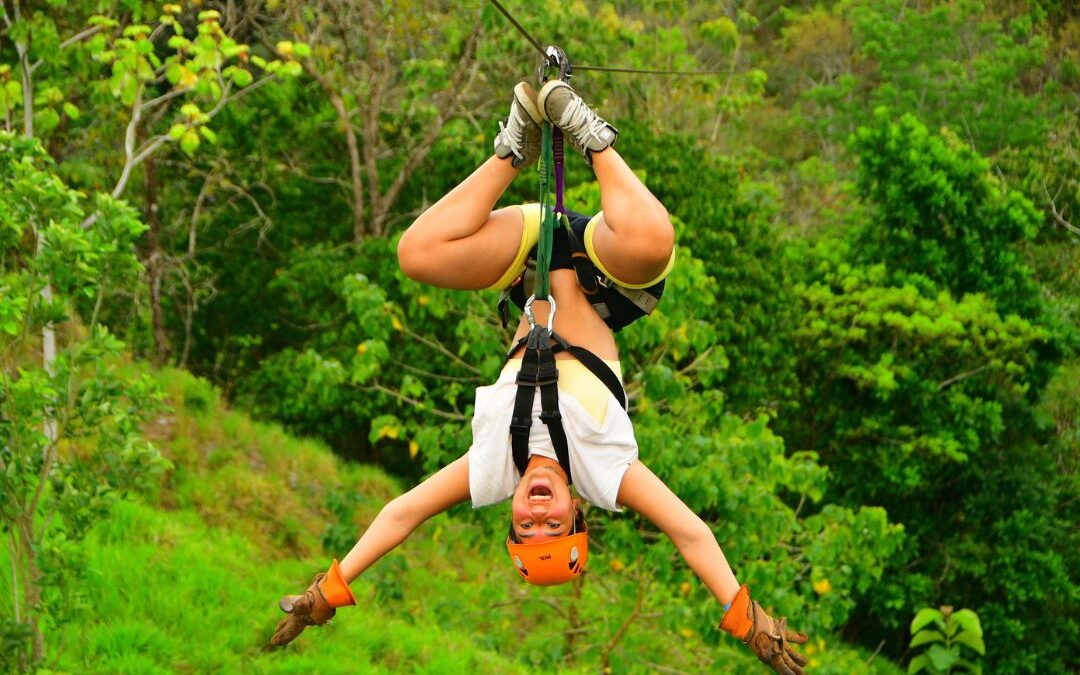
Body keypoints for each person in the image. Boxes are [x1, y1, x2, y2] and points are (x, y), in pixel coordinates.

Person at [270, 79, 808, 674]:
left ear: (512, 518)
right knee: (655, 239)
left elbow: (402, 513)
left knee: (415, 254)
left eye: (528, 529)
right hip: (603, 272)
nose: (538, 516)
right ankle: (588, 134)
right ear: (577, 510)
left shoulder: (492, 468)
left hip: (530, 251)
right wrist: (746, 619)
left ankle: (512, 147)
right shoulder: (605, 473)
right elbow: (691, 533)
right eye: (554, 526)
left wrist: (328, 591)